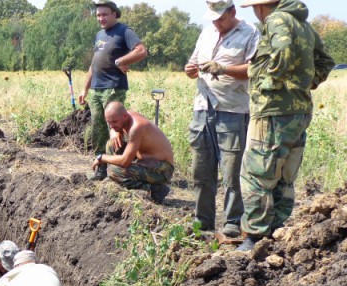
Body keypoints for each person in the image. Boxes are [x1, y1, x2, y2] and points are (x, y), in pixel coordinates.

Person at [237, 0, 334, 251]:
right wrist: (305, 83)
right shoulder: (305, 25)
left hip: (273, 111)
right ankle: (276, 232)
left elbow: (283, 49)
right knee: (284, 174)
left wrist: (270, 83)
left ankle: (254, 238)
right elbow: (325, 61)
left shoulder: (276, 19)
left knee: (258, 174)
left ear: (262, 7)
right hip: (299, 110)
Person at [184, 0, 260, 237]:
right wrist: (190, 69)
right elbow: (194, 62)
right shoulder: (207, 33)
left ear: (233, 12)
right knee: (201, 170)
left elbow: (254, 69)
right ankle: (203, 220)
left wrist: (223, 68)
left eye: (221, 17)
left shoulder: (250, 33)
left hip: (233, 110)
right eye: (213, 18)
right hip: (202, 108)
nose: (216, 22)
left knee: (232, 171)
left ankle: (233, 222)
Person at [78, 1, 148, 181]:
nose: (101, 18)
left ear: (114, 14)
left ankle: (121, 170)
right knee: (98, 129)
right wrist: (85, 89)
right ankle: (101, 169)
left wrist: (121, 61)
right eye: (98, 15)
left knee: (115, 129)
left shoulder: (124, 31)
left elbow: (141, 50)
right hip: (96, 89)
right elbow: (93, 65)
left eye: (105, 14)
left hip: (113, 87)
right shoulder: (99, 35)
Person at [91, 101, 174, 203]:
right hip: (143, 160)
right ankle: (103, 175)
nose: (111, 125)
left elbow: (125, 161)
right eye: (109, 122)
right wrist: (114, 133)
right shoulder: (124, 116)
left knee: (114, 171)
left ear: (124, 116)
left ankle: (155, 189)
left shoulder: (137, 127)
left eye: (114, 122)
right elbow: (114, 129)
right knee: (111, 144)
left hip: (161, 169)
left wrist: (101, 158)